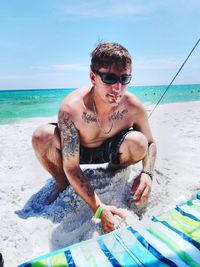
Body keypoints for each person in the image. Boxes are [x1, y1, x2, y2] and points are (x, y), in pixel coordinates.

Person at [32, 42, 157, 233]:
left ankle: (113, 173)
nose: (117, 88)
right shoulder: (72, 109)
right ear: (93, 77)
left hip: (113, 152)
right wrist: (99, 209)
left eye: (124, 79)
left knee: (138, 142)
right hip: (76, 151)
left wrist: (147, 173)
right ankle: (63, 184)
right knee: (42, 136)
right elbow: (71, 166)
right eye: (109, 78)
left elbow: (150, 143)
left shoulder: (133, 106)